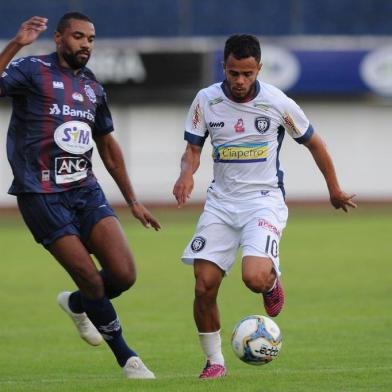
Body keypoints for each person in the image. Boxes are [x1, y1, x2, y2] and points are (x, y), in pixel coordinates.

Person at [173, 34, 357, 379]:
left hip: (263, 202)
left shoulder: (277, 103)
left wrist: (334, 190)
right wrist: (186, 175)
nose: (239, 81)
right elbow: (193, 150)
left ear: (259, 69)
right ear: (223, 68)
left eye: (247, 74)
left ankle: (271, 282)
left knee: (253, 278)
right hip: (221, 204)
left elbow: (315, 143)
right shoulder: (206, 100)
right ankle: (214, 363)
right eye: (232, 73)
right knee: (203, 284)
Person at [0, 13, 161, 379]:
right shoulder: (30, 69)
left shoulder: (92, 87)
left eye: (90, 38)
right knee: (90, 279)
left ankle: (76, 305)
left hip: (85, 190)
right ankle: (127, 358)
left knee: (123, 274)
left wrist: (133, 200)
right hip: (40, 193)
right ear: (58, 38)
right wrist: (15, 44)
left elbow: (107, 144)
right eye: (77, 36)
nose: (85, 44)